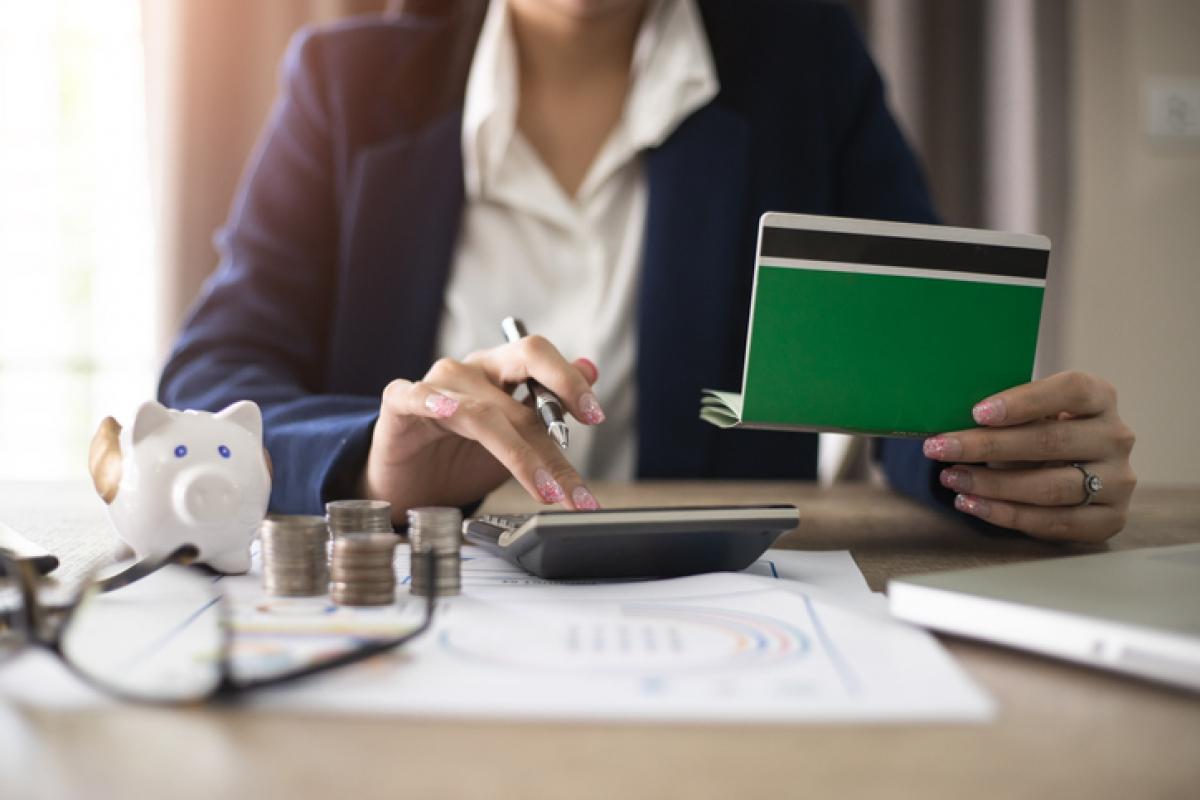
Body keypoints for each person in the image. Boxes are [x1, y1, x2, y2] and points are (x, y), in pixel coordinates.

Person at [159, 0, 1136, 542]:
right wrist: (374, 462)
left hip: (724, 624)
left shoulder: (807, 69)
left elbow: (912, 383)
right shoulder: (345, 82)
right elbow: (211, 382)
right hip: (418, 606)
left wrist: (1010, 469)